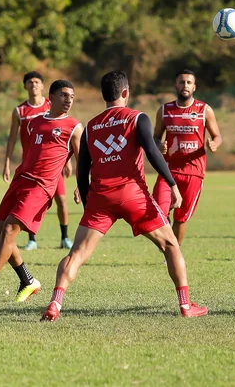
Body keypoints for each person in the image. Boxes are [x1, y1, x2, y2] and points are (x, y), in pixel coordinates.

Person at [41, 71, 208, 322]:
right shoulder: (138, 118)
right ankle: (185, 305)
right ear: (126, 93)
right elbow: (152, 152)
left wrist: (89, 204)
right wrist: (172, 184)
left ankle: (56, 301)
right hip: (133, 195)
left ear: (103, 95)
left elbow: (82, 171)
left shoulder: (90, 127)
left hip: (100, 198)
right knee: (171, 245)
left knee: (76, 254)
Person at [0, 80, 83, 306]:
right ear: (51, 97)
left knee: (10, 230)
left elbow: (83, 160)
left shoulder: (74, 127)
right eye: (64, 95)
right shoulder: (35, 123)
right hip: (21, 181)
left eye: (72, 96)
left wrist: (80, 184)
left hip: (41, 187)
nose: (69, 100)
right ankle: (27, 280)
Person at [2, 71, 73, 251]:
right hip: (31, 169)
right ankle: (32, 239)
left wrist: (68, 161)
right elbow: (11, 139)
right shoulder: (20, 111)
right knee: (27, 203)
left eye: (37, 82)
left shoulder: (54, 106)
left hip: (53, 167)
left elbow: (67, 133)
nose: (34, 85)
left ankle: (65, 237)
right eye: (30, 82)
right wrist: (7, 163)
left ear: (42, 86)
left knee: (62, 200)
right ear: (25, 86)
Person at [152, 69, 222, 246]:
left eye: (189, 82)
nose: (185, 85)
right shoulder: (164, 110)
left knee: (181, 218)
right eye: (182, 82)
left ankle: (174, 252)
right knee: (159, 210)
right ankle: (168, 246)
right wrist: (159, 145)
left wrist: (214, 143)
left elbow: (217, 136)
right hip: (167, 170)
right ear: (176, 85)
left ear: (194, 87)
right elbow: (155, 137)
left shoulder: (204, 110)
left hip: (193, 172)